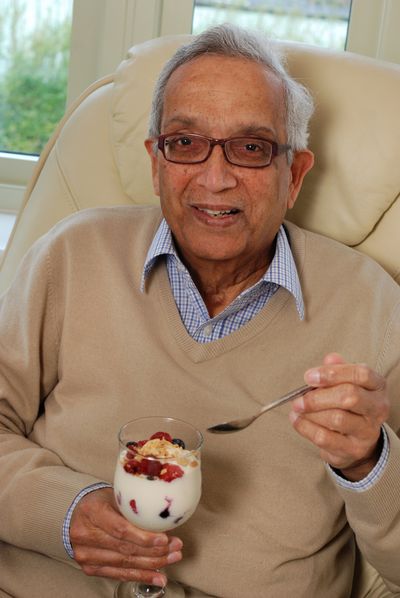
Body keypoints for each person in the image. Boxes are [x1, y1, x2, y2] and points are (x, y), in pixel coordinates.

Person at [0, 23, 399, 598]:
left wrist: (370, 462)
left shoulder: (374, 306)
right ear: (156, 163)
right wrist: (62, 512)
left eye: (251, 148)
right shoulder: (72, 254)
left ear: (295, 175)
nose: (215, 178)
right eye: (185, 143)